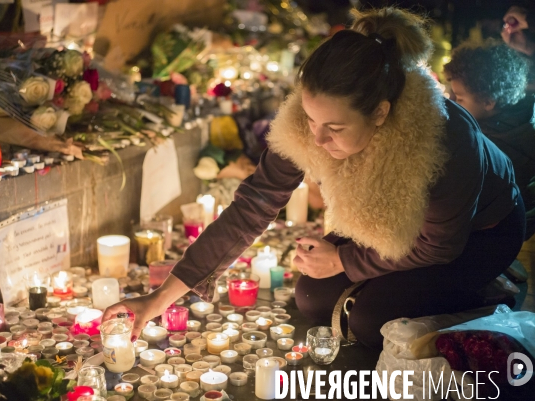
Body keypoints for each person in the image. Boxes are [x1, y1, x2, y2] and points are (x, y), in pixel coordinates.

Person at [104, 7, 524, 348]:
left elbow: (439, 246)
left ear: (380, 113)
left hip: (477, 235)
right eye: (309, 120)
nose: (317, 140)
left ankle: (491, 296)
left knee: (370, 319)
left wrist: (342, 259)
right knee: (311, 296)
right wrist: (159, 299)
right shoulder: (314, 124)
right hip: (399, 233)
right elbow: (253, 204)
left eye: (335, 129)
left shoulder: (443, 140)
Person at [443, 39, 535, 239]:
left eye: (459, 98)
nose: (451, 102)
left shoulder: (506, 146)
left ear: (488, 102)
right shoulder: (516, 117)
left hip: (497, 234)